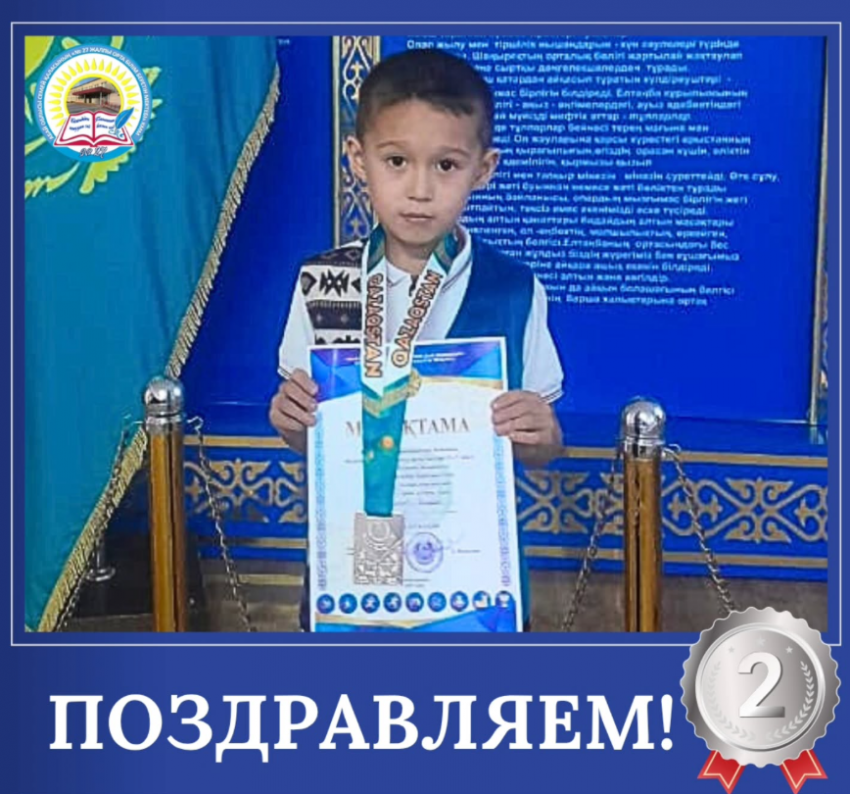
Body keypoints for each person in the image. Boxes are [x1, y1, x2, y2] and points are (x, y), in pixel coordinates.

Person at [269, 48, 565, 632]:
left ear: (484, 169)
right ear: (358, 159)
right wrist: (291, 420)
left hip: (472, 580)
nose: (420, 189)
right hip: (350, 575)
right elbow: (308, 437)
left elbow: (543, 444)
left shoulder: (514, 290)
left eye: (447, 165)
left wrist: (541, 433)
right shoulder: (322, 282)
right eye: (397, 161)